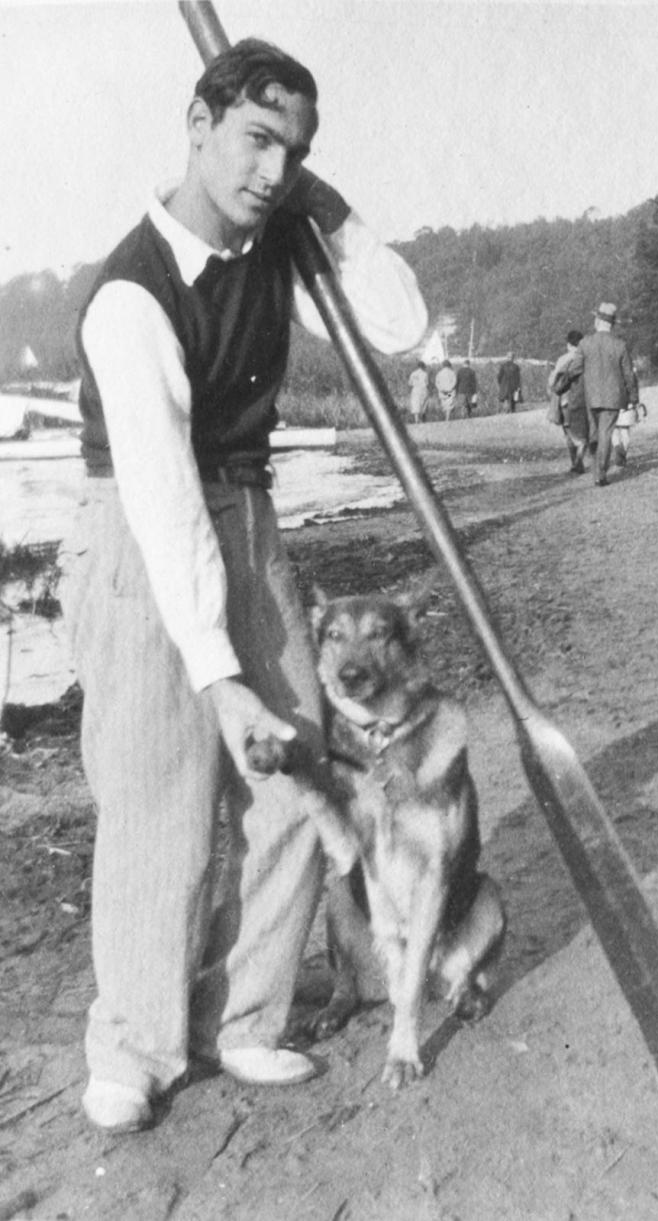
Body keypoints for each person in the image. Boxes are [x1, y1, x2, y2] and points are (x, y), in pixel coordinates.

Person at [61, 38, 427, 1134]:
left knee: (296, 764)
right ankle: (136, 1046)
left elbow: (401, 326)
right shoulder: (130, 294)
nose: (272, 171)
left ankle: (247, 1016)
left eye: (293, 153)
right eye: (257, 141)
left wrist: (330, 209)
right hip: (137, 529)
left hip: (251, 516)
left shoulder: (278, 245)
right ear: (198, 124)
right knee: (158, 795)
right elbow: (165, 500)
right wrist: (217, 679)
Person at [565, 302, 640, 487]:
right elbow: (629, 375)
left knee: (595, 434)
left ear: (598, 321)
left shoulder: (585, 343)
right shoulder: (620, 345)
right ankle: (600, 473)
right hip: (613, 397)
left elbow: (574, 369)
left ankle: (597, 469)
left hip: (591, 397)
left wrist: (563, 381)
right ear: (612, 324)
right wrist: (634, 397)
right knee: (606, 433)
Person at [547, 329, 589, 474]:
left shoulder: (563, 359)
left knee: (568, 432)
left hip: (564, 401)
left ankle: (575, 462)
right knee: (583, 432)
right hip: (583, 400)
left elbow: (553, 382)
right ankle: (579, 459)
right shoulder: (587, 358)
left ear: (569, 344)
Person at [408, 359, 429, 423]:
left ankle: (416, 419)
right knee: (424, 404)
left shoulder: (413, 373)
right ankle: (423, 419)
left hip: (415, 390)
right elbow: (427, 383)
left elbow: (410, 383)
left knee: (415, 404)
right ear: (423, 366)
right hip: (423, 389)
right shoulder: (425, 374)